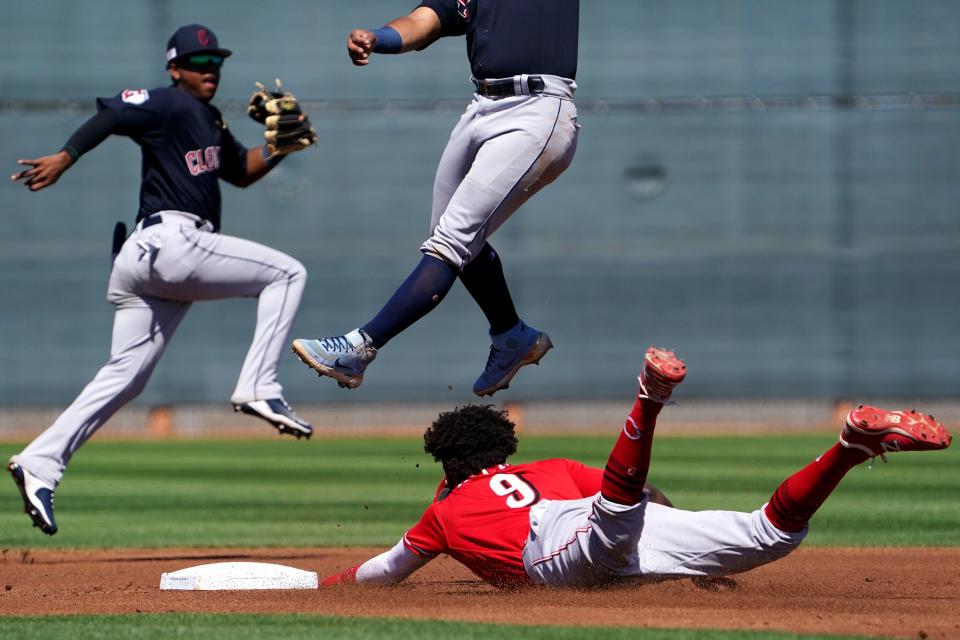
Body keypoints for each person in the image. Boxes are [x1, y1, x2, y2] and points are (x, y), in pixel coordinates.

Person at [8, 24, 318, 536]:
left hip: (148, 263)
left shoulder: (209, 118)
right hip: (170, 241)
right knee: (288, 272)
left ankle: (39, 463)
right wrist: (66, 155)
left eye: (215, 62)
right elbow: (114, 114)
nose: (209, 71)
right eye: (199, 63)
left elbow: (240, 169)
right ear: (175, 68)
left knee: (127, 377)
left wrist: (282, 147)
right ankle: (258, 385)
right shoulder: (168, 103)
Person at [320, 346, 952, 589]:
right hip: (609, 520)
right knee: (767, 533)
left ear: (451, 465)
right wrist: (681, 544)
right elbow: (644, 493)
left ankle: (647, 401)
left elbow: (384, 571)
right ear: (500, 453)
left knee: (614, 519)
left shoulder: (444, 510)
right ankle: (848, 447)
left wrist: (328, 586)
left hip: (556, 546)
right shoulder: (551, 465)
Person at [292, 0, 580, 397]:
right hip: (482, 108)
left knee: (450, 242)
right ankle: (512, 336)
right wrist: (378, 38)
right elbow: (422, 23)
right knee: (452, 241)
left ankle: (359, 348)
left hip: (537, 109)